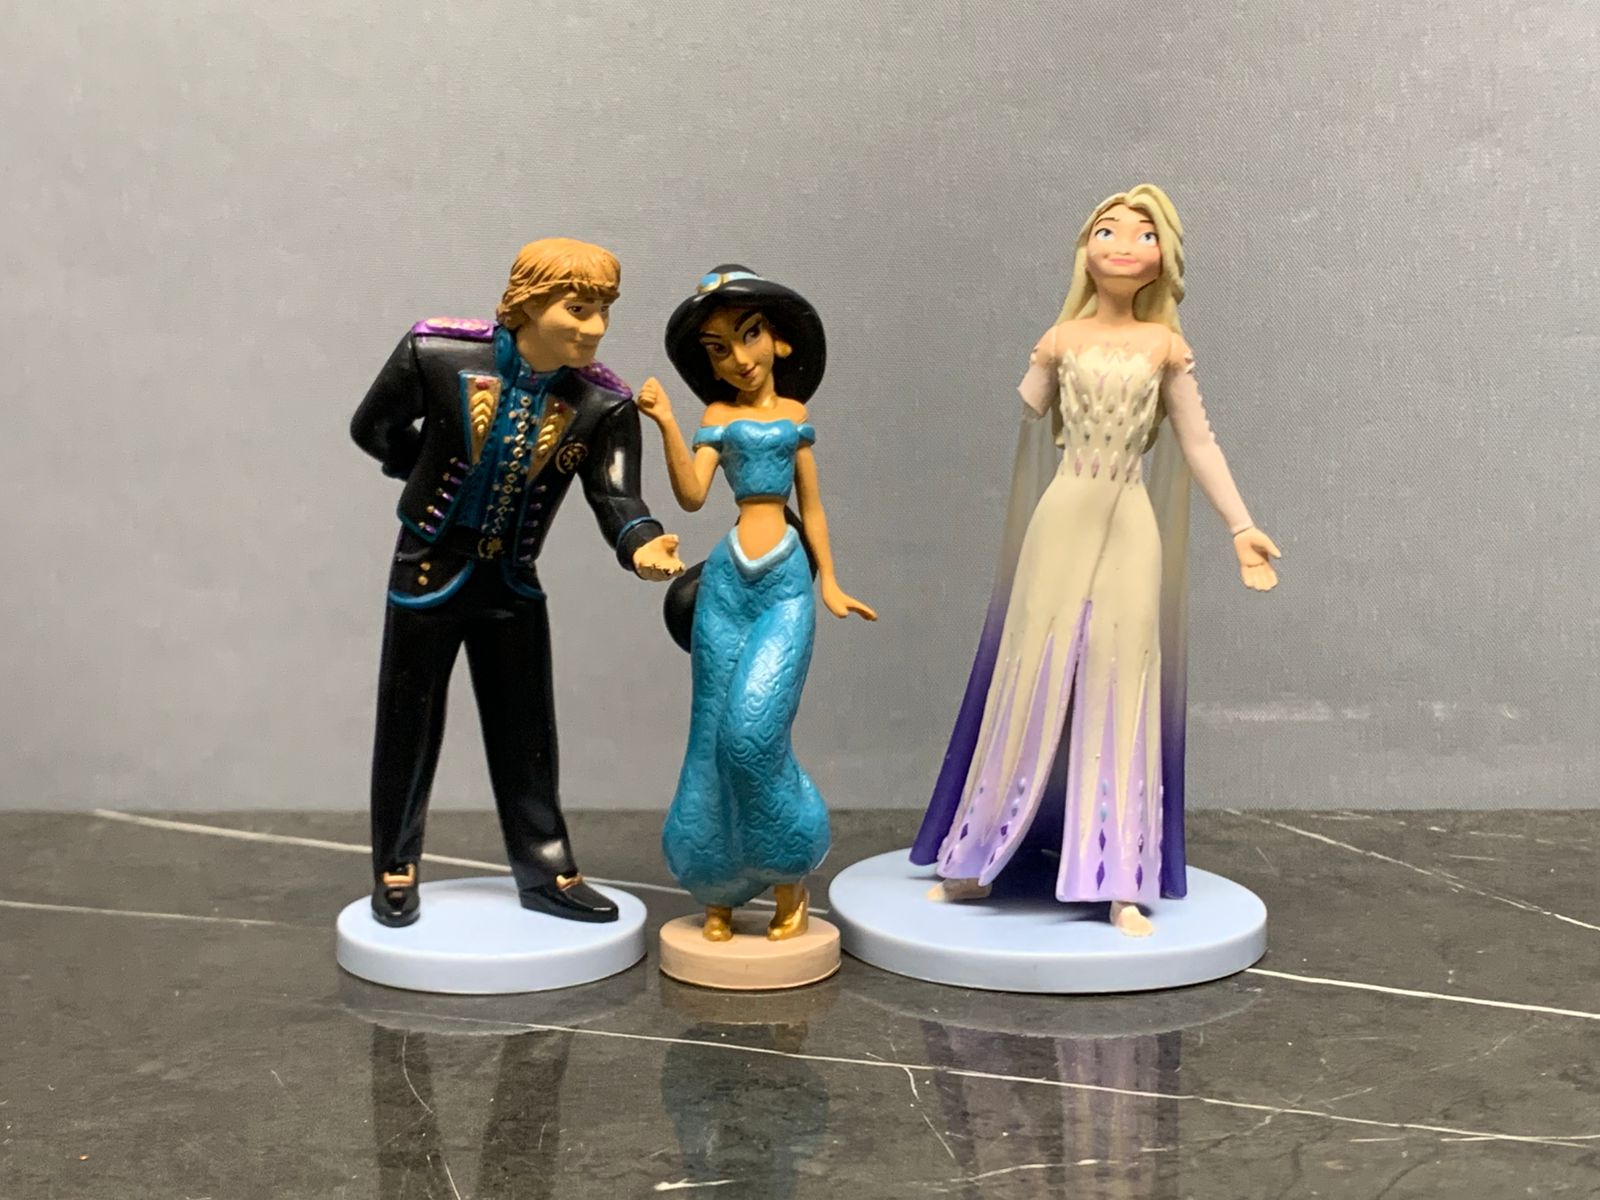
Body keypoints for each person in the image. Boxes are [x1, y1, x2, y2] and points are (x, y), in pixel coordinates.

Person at [911, 187, 1282, 936]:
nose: (1122, 244)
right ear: (1085, 248)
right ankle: (977, 856)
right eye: (1107, 231)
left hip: (1131, 523)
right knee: (1031, 668)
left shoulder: (1165, 349)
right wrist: (1033, 360)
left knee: (1122, 678)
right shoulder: (1060, 339)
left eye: (1143, 234)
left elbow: (1198, 442)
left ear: (1162, 258)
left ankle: (1120, 876)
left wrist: (1241, 525)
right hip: (1061, 518)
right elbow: (1029, 412)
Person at [350, 237, 684, 927]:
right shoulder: (436, 354)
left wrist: (642, 542)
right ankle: (395, 863)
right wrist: (420, 470)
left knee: (528, 732)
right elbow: (374, 427)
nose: (595, 328)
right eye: (578, 309)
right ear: (529, 304)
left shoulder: (603, 403)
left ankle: (548, 869)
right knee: (409, 724)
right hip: (427, 570)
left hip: (511, 583)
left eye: (604, 311)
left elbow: (616, 495)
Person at [636, 266, 875, 942]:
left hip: (784, 586)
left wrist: (830, 581)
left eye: (749, 336)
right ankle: (717, 885)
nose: (739, 359)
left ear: (780, 341)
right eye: (718, 349)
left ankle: (789, 869)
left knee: (752, 734)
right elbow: (691, 496)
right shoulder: (717, 418)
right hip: (727, 586)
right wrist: (666, 424)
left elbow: (813, 508)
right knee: (711, 737)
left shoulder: (795, 418)